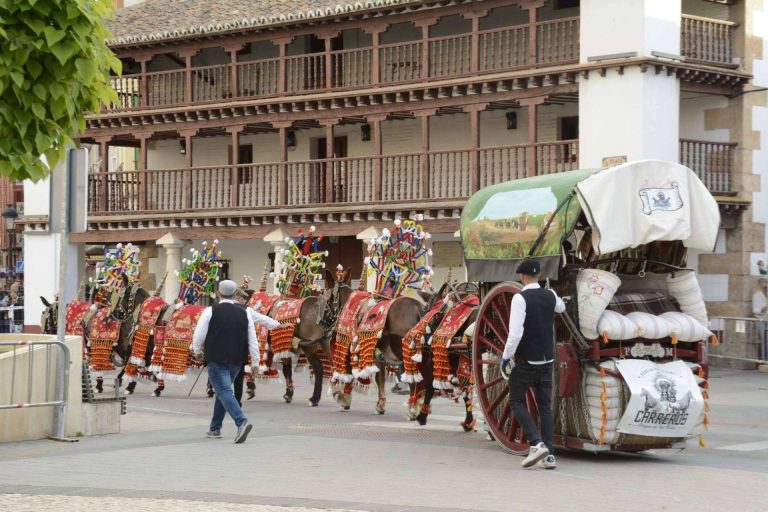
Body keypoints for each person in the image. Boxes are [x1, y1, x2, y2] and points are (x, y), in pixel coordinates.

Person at [500, 258, 565, 470]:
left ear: (521, 276)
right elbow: (561, 308)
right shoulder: (550, 295)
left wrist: (506, 356)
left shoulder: (520, 298)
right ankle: (549, 455)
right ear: (538, 276)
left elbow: (515, 333)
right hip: (547, 359)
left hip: (527, 360)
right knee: (545, 406)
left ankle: (536, 443)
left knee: (515, 400)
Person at [192, 280, 262, 443]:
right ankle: (215, 428)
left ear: (218, 292)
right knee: (222, 391)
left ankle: (241, 421)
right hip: (237, 359)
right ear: (235, 294)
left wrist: (197, 351)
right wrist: (256, 362)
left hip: (216, 358)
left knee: (223, 390)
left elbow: (199, 335)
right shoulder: (245, 312)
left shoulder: (210, 310)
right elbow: (253, 339)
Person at [231, 288, 281, 405]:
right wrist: (280, 325)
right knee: (237, 377)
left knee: (224, 380)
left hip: (220, 352)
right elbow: (262, 322)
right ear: (239, 297)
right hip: (238, 350)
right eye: (245, 299)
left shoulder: (214, 309)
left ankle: (226, 401)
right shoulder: (246, 311)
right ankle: (236, 402)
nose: (246, 302)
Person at [752, 277, 768, 359]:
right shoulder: (756, 295)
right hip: (761, 320)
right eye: (763, 282)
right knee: (765, 341)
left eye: (766, 282)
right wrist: (763, 308)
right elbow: (755, 310)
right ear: (759, 283)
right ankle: (765, 359)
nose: (765, 284)